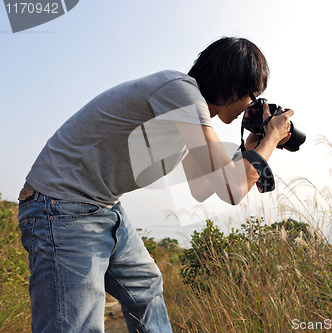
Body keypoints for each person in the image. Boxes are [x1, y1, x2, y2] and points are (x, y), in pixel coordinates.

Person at [17, 37, 293, 333]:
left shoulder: (187, 114)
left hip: (101, 205)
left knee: (145, 286)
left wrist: (251, 149)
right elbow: (231, 188)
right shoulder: (181, 92)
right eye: (252, 95)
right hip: (61, 205)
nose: (250, 106)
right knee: (75, 326)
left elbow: (205, 187)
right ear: (233, 85)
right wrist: (272, 139)